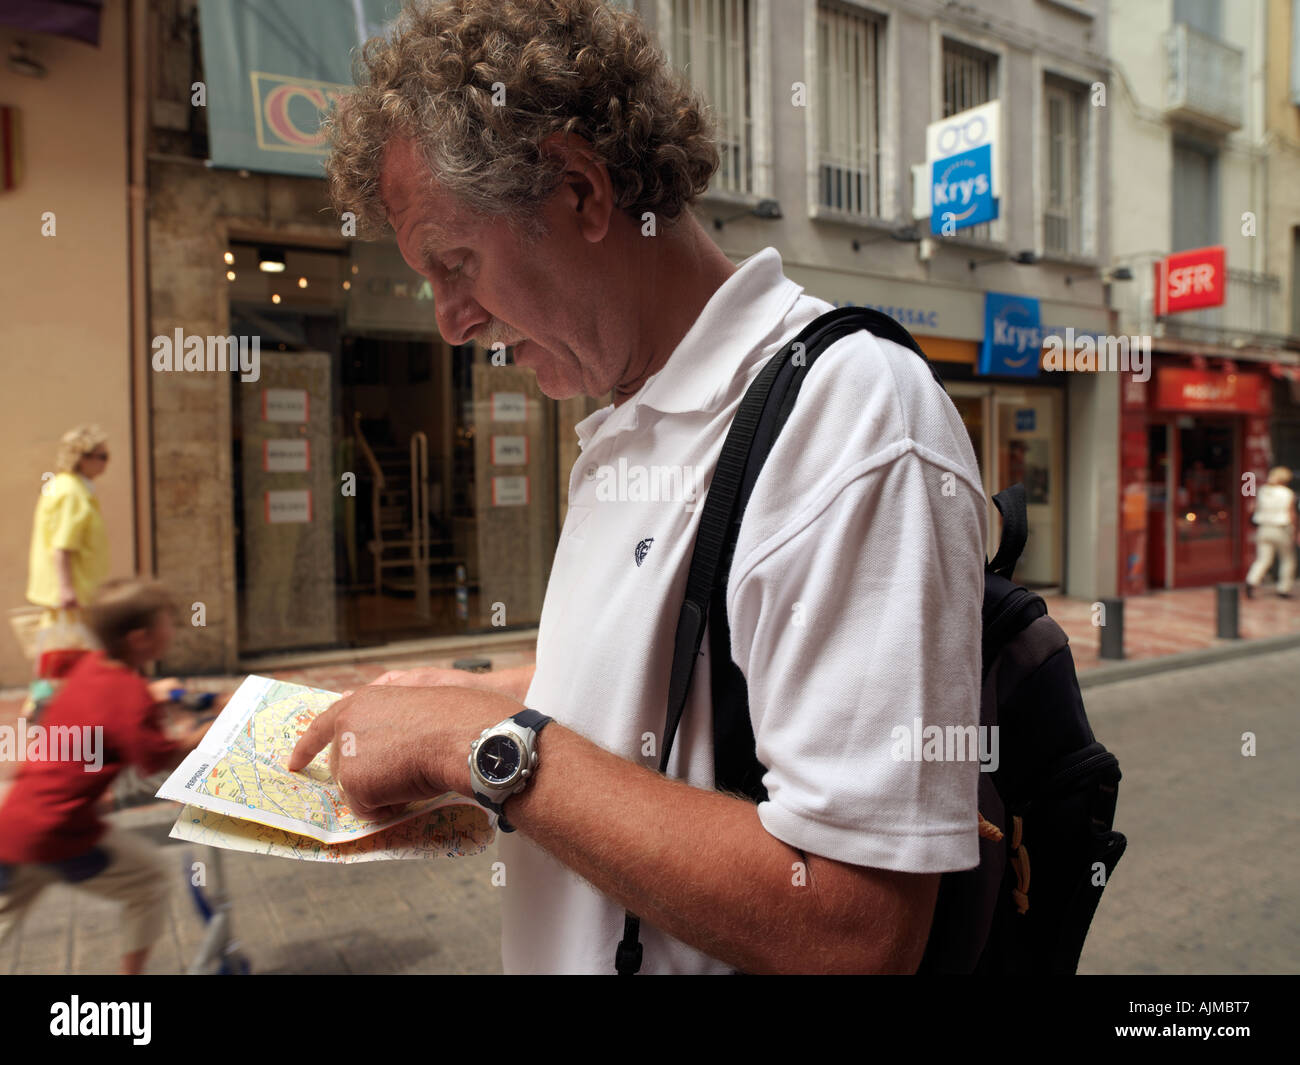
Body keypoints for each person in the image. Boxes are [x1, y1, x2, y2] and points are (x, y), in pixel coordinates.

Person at [291, 0, 986, 974]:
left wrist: (478, 744)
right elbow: (668, 706)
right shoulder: (625, 423)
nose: (449, 322)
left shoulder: (849, 415)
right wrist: (482, 696)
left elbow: (854, 927)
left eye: (455, 263)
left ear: (580, 190)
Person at [0, 579, 212, 974]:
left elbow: (108, 706)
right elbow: (157, 758)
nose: (175, 628)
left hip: (13, 825)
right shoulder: (129, 695)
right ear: (141, 639)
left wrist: (152, 695)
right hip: (61, 833)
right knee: (148, 882)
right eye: (167, 622)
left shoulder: (90, 667)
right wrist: (207, 732)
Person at [27, 425, 113, 623]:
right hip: (73, 599)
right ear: (82, 458)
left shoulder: (72, 488)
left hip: (79, 594)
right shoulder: (71, 493)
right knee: (69, 651)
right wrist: (66, 590)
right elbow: (62, 546)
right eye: (102, 456)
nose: (107, 462)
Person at [1245, 466, 1297, 599]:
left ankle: (1252, 581)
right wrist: (1296, 531)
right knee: (1288, 559)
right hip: (1281, 529)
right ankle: (1283, 588)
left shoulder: (1263, 491)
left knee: (1263, 558)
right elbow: (1291, 514)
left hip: (1263, 528)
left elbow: (1253, 508)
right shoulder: (1287, 493)